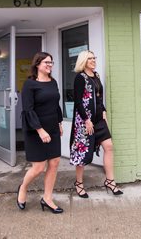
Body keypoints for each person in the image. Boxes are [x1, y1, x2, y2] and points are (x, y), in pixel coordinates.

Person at [69, 50, 123, 197]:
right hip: (86, 122)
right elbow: (78, 101)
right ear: (83, 61)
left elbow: (98, 97)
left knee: (109, 147)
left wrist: (103, 109)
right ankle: (79, 183)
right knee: (83, 153)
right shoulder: (80, 78)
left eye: (94, 58)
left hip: (99, 120)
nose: (93, 60)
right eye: (90, 59)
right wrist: (86, 120)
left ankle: (110, 181)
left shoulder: (96, 75)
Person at [17, 52, 64, 214]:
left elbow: (55, 105)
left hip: (52, 127)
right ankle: (23, 188)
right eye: (46, 62)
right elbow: (28, 110)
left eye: (51, 62)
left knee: (55, 163)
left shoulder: (53, 82)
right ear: (37, 64)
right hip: (35, 129)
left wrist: (59, 122)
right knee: (38, 167)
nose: (50, 65)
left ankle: (47, 198)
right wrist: (40, 130)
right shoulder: (30, 84)